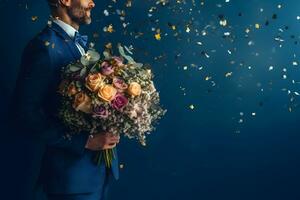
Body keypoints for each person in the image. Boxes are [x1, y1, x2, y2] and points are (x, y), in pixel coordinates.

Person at [11, 0, 120, 199]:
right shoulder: (44, 48)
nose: (93, 3)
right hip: (71, 181)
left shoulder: (77, 43)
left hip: (97, 173)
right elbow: (24, 115)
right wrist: (84, 142)